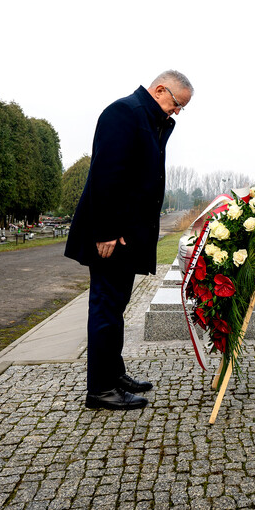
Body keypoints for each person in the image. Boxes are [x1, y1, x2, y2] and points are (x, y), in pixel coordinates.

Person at [65, 71, 193, 410]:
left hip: (127, 236)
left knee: (116, 306)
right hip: (111, 237)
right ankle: (100, 390)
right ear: (160, 89)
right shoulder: (124, 113)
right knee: (106, 307)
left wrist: (165, 122)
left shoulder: (149, 119)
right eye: (176, 104)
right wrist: (105, 230)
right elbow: (108, 175)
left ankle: (114, 373)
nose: (177, 111)